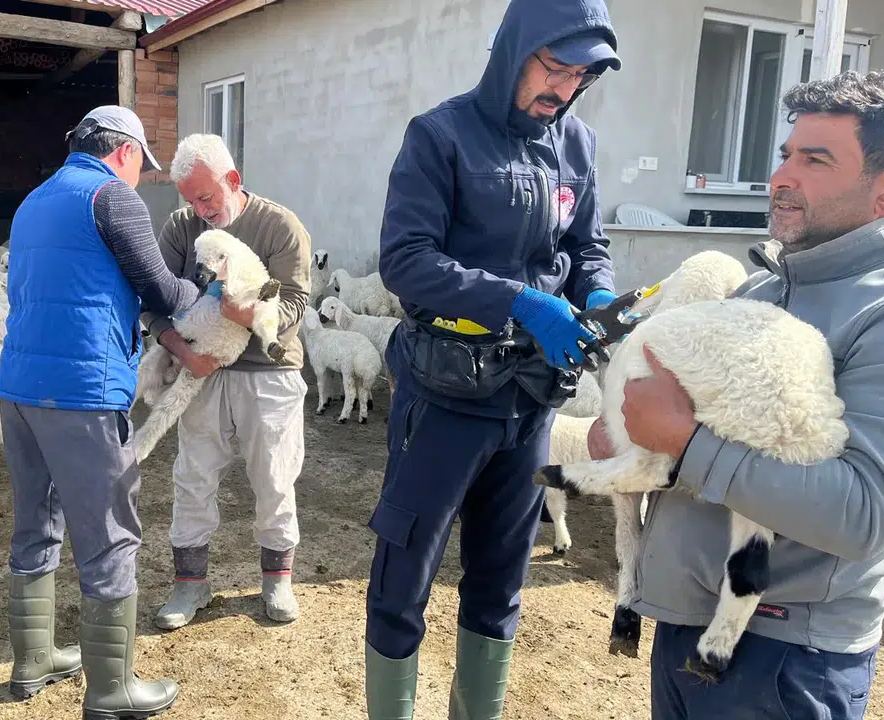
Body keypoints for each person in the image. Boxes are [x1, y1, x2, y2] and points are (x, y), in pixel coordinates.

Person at [590, 71, 884, 719]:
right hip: (690, 627)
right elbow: (678, 432)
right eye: (785, 155)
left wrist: (682, 442)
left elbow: (865, 515)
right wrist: (627, 437)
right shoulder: (764, 289)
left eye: (816, 159)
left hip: (784, 658)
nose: (782, 176)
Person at [363, 0, 623, 716]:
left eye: (580, 76)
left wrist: (596, 293)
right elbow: (405, 260)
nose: (563, 89)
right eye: (553, 67)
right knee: (403, 576)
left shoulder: (578, 145)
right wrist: (520, 301)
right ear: (513, 49)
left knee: (501, 581)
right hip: (445, 393)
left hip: (531, 400)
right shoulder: (440, 136)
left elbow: (584, 247)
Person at [0, 105, 197, 716]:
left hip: (20, 386)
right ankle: (112, 689)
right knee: (109, 534)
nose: (139, 177)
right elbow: (161, 290)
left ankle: (32, 661)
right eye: (142, 165)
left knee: (36, 519)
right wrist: (208, 295)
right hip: (83, 391)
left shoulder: (33, 201)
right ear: (125, 151)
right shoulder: (112, 198)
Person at [140, 133, 312, 630]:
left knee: (275, 475)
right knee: (192, 475)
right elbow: (154, 301)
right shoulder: (180, 228)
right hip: (201, 368)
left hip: (268, 371)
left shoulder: (279, 225)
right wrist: (180, 352)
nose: (199, 209)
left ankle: (277, 578)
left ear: (232, 180)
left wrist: (251, 312)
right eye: (191, 200)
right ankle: (189, 585)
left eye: (207, 197)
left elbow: (296, 301)